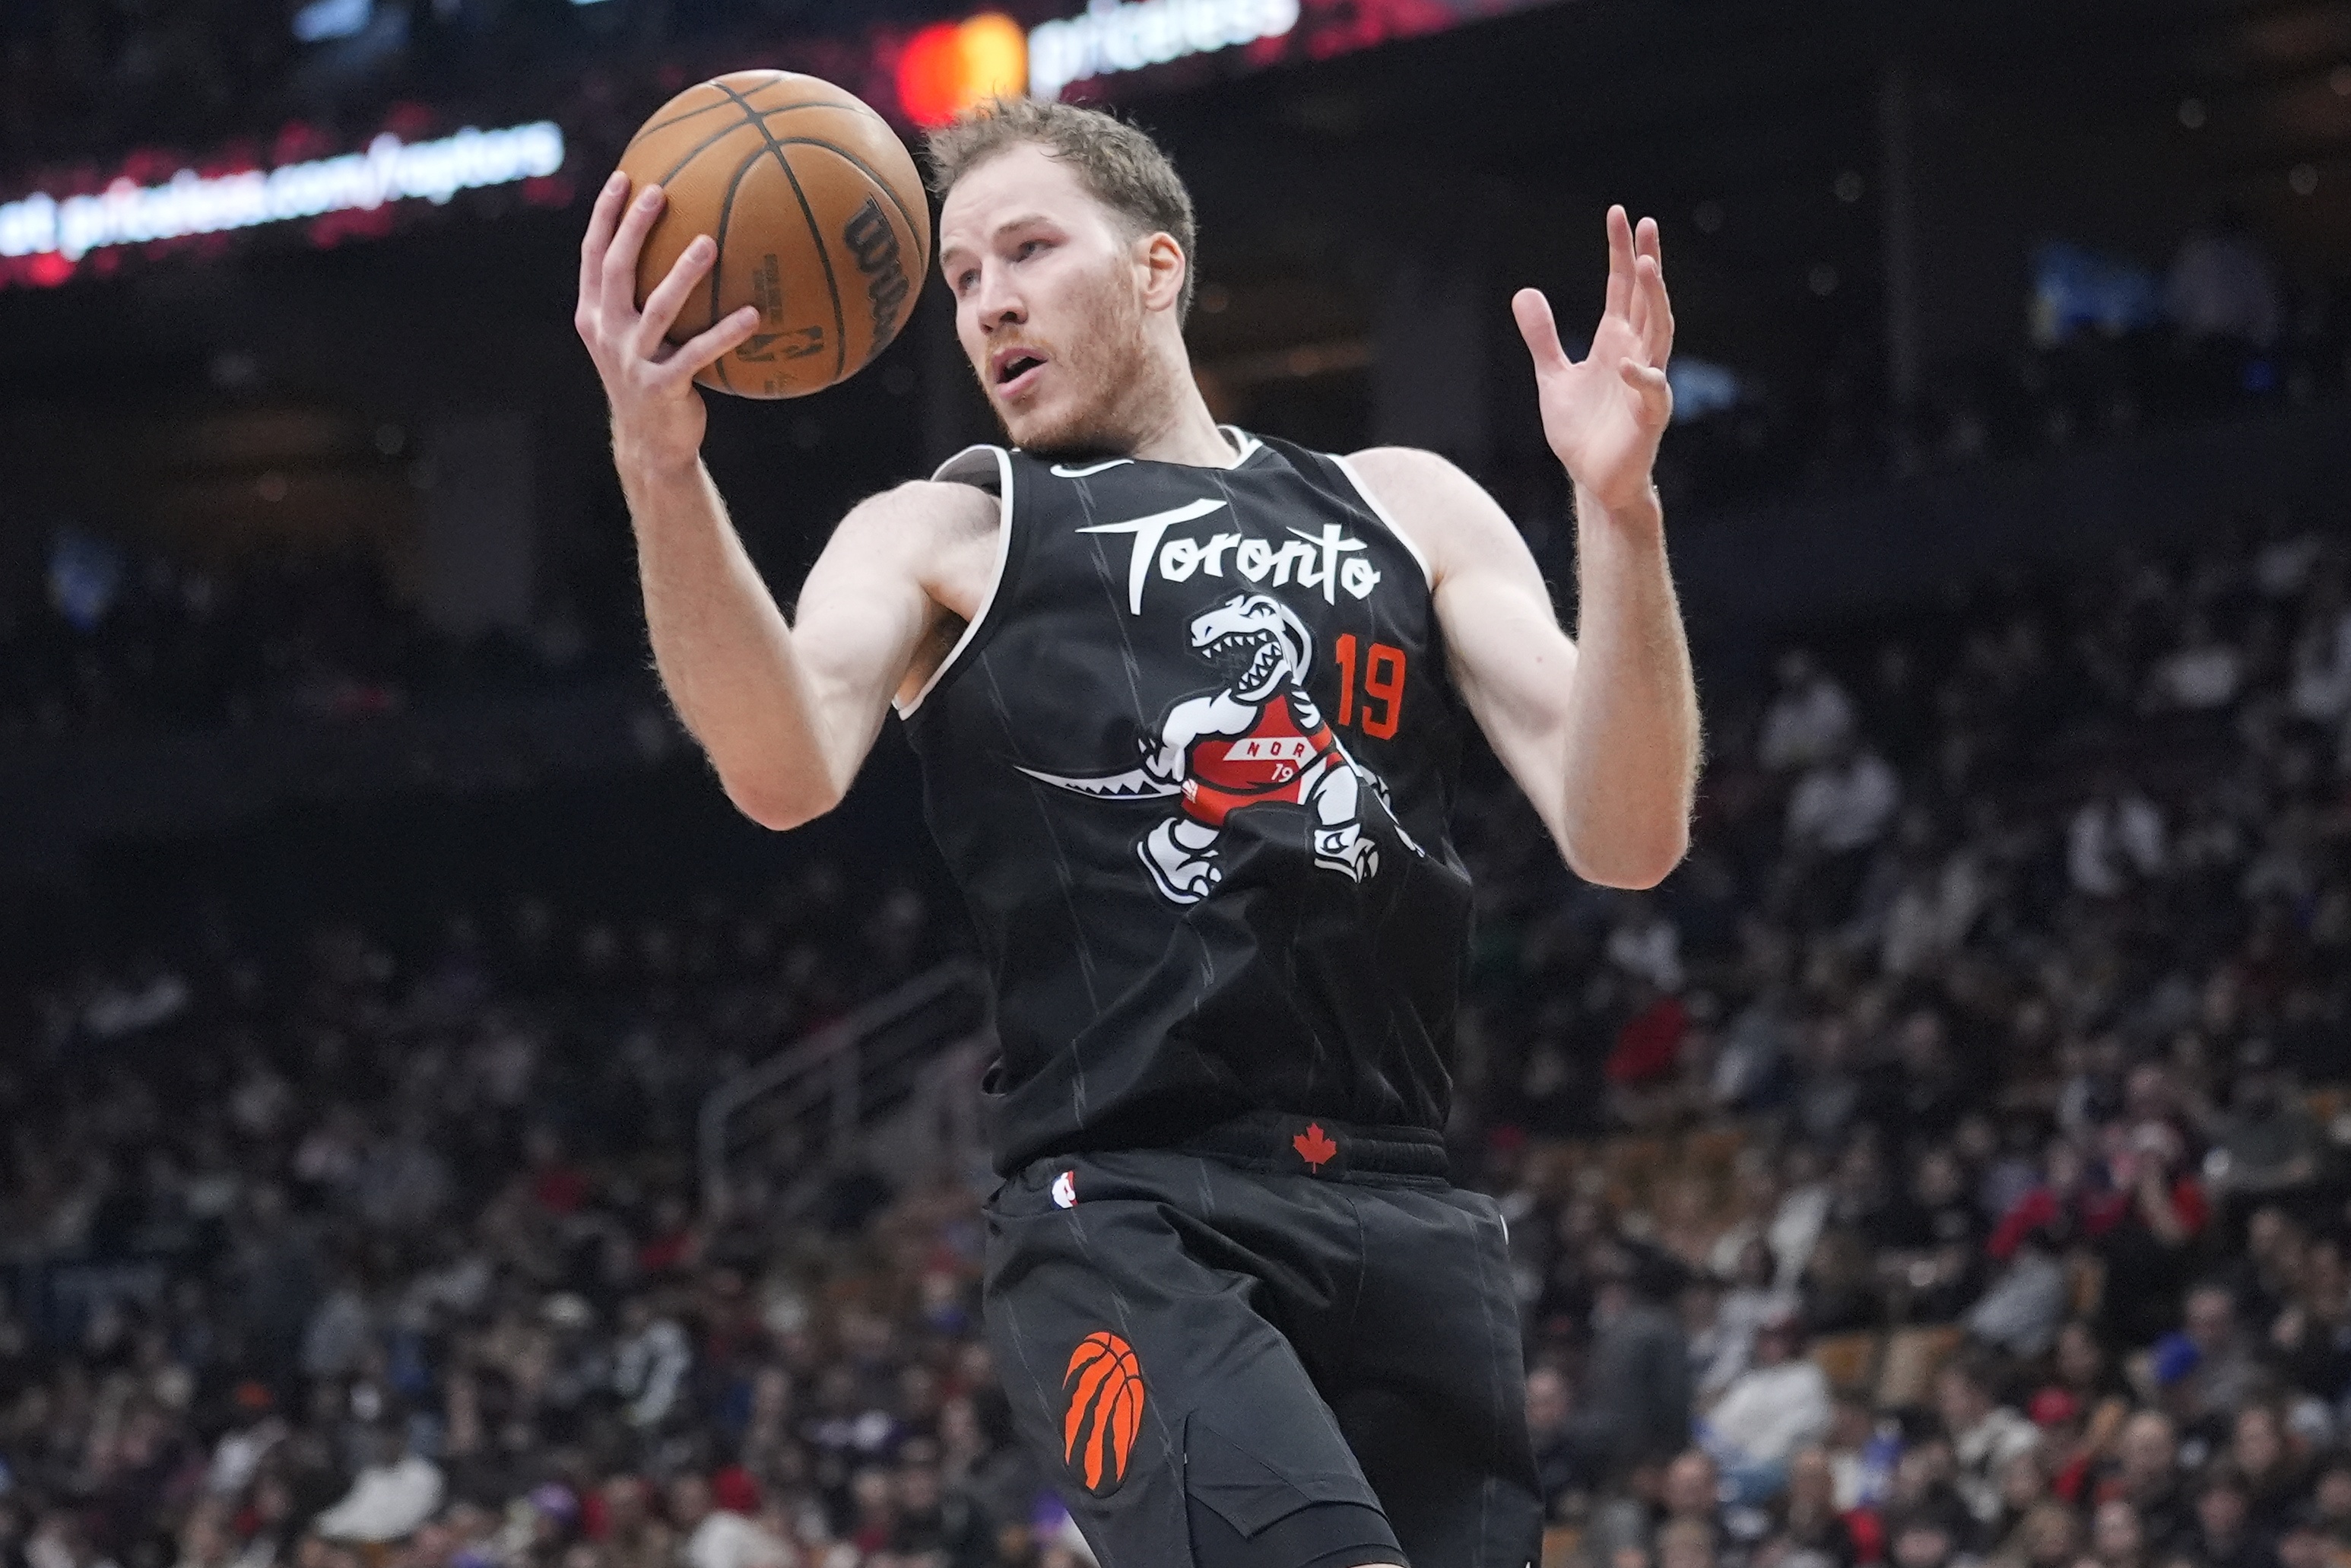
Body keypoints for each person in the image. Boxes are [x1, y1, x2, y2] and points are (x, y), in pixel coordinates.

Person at [574, 95, 1701, 1568]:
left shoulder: (1401, 506)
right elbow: (781, 767)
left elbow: (1627, 832)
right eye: (961, 276)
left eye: (1028, 249)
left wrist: (1621, 512)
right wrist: (662, 469)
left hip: (1401, 1201)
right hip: (1127, 1209)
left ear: (1158, 265)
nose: (988, 301)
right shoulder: (949, 531)